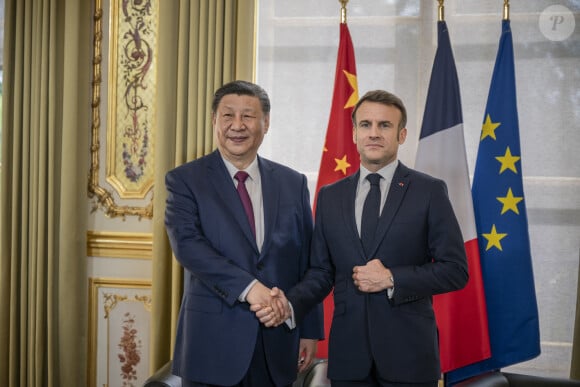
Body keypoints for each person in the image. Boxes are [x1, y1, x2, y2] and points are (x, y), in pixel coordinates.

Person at [258, 90, 469, 386]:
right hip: (349, 359)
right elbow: (321, 272)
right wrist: (289, 303)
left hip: (409, 356)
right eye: (366, 125)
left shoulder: (428, 191)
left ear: (402, 134)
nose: (374, 133)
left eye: (384, 125)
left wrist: (392, 278)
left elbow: (455, 271)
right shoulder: (330, 196)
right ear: (355, 133)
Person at [164, 80, 323, 387]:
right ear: (214, 121)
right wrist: (251, 289)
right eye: (228, 116)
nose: (237, 126)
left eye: (248, 116)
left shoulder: (293, 183)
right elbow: (188, 246)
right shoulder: (185, 180)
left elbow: (308, 260)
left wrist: (308, 329)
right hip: (211, 343)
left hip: (278, 340)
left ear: (266, 123)